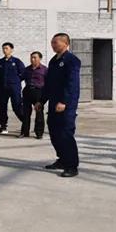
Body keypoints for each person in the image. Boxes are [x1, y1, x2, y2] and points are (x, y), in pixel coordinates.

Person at [38, 33, 81, 178]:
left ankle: (72, 166)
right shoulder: (53, 61)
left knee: (65, 134)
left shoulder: (71, 60)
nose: (53, 45)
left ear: (65, 43)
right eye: (52, 42)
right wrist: (41, 101)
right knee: (54, 133)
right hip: (53, 103)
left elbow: (72, 84)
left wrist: (64, 102)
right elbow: (48, 84)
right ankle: (62, 159)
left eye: (55, 42)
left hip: (65, 105)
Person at [0, 42, 25, 134]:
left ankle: (25, 123)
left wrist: (15, 81)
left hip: (14, 87)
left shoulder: (17, 61)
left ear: (11, 49)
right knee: (2, 107)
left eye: (6, 48)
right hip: (3, 87)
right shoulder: (0, 62)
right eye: (3, 48)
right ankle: (3, 126)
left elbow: (23, 74)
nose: (4, 50)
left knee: (17, 106)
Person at [20, 51, 47, 139]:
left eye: (35, 57)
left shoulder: (44, 70)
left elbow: (48, 83)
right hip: (27, 91)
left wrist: (45, 95)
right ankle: (24, 132)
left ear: (40, 58)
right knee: (26, 113)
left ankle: (39, 133)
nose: (33, 59)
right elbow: (20, 78)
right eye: (31, 57)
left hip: (39, 92)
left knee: (39, 113)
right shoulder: (27, 69)